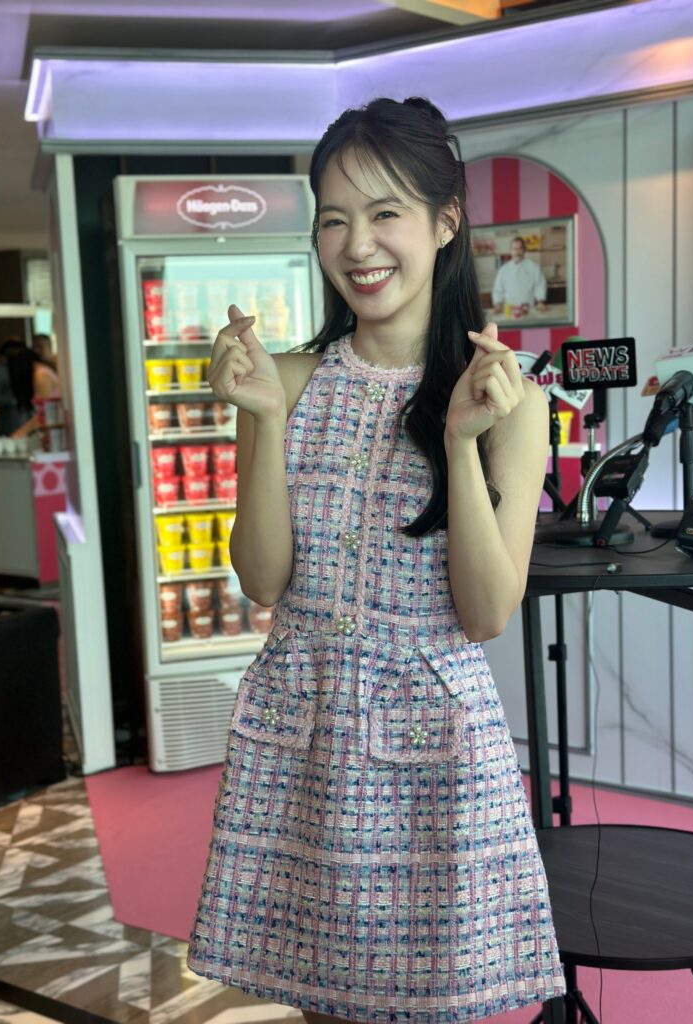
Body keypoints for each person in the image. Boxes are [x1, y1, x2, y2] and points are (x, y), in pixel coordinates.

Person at [187, 97, 566, 1024]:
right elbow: (263, 581)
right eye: (334, 218)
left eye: (386, 212)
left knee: (433, 1007)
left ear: (445, 222)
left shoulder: (509, 401)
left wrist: (461, 442)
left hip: (434, 752)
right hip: (304, 739)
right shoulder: (284, 381)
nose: (358, 244)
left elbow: (485, 614)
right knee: (317, 1002)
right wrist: (262, 418)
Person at [491, 236, 547, 316]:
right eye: (514, 249)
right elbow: (497, 290)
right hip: (509, 311)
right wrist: (497, 305)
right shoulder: (503, 270)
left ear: (524, 250)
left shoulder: (533, 267)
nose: (517, 252)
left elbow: (540, 285)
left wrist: (540, 302)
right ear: (511, 250)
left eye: (520, 248)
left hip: (528, 310)